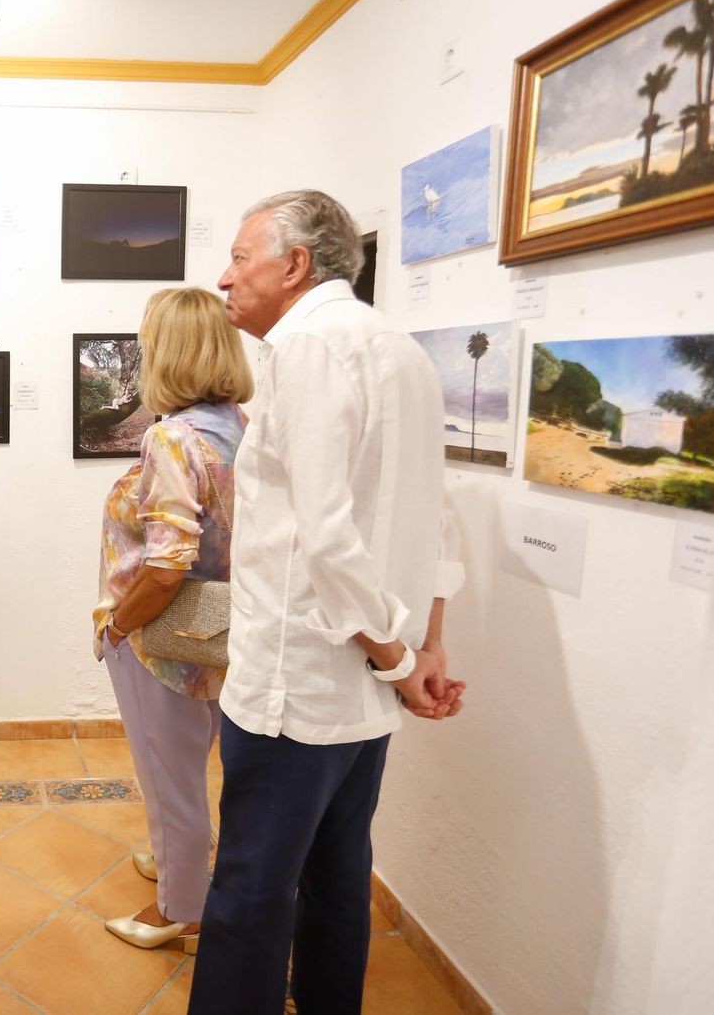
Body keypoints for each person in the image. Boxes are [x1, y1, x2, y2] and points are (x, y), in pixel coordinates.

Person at [188, 190, 466, 1015]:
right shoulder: (402, 350)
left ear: (295, 264)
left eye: (241, 257)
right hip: (364, 694)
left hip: (297, 687)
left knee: (249, 894)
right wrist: (424, 648)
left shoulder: (308, 348)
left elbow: (326, 536)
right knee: (341, 883)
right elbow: (436, 515)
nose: (225, 276)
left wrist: (400, 656)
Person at [93, 287, 252, 954]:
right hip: (217, 628)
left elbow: (166, 564)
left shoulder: (172, 438)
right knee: (186, 764)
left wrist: (119, 626)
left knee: (170, 776)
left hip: (161, 635)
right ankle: (173, 865)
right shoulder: (237, 424)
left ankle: (179, 910)